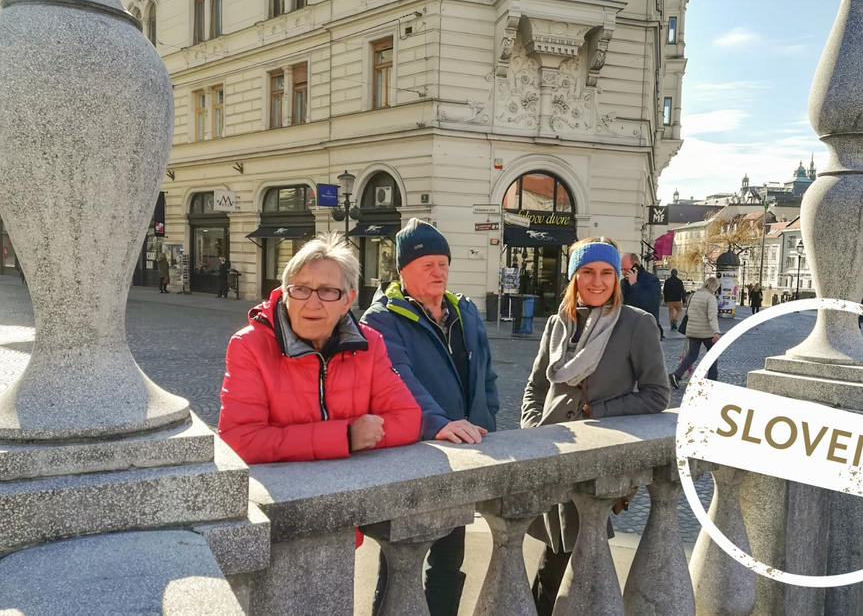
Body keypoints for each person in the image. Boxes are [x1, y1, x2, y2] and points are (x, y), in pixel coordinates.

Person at [217, 233, 422, 545]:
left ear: (348, 300)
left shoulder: (368, 343)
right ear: (285, 293)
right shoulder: (250, 345)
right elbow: (240, 440)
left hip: (341, 517)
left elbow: (408, 418)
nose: (311, 303)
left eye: (327, 291)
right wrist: (345, 437)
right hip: (275, 523)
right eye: (300, 289)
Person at [520, 237, 668, 615]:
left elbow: (656, 395)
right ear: (573, 278)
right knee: (555, 550)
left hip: (596, 460)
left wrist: (597, 409)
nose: (597, 281)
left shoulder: (637, 324)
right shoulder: (558, 323)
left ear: (618, 278)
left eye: (606, 273)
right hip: (552, 457)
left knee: (573, 556)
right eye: (587, 272)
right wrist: (534, 430)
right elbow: (536, 387)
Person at [361, 218, 499, 616]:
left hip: (463, 454)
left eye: (443, 263)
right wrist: (437, 423)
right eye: (427, 265)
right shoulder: (382, 319)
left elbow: (487, 375)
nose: (438, 272)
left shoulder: (465, 310)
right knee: (398, 564)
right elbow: (397, 379)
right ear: (403, 271)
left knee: (448, 561)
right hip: (412, 455)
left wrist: (486, 416)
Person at [668, 276, 721, 389]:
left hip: (693, 331)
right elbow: (712, 317)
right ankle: (711, 381)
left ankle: (676, 375)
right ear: (713, 286)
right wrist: (716, 332)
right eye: (716, 287)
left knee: (692, 355)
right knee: (713, 355)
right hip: (707, 333)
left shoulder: (694, 295)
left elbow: (690, 313)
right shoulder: (710, 298)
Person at [621, 252, 663, 338]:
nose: (623, 273)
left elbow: (649, 304)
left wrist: (634, 285)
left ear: (635, 266)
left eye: (625, 269)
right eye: (621, 269)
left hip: (646, 330)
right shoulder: (624, 283)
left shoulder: (652, 280)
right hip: (627, 330)